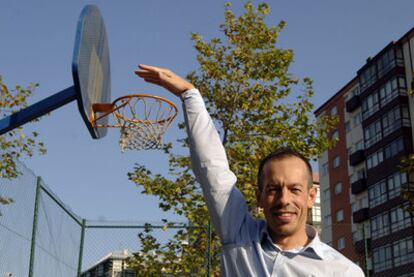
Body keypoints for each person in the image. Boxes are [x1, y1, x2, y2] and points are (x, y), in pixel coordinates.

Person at [135, 64, 365, 276]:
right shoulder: (239, 235)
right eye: (274, 189)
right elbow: (212, 171)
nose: (284, 199)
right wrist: (190, 95)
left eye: (295, 189)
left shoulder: (343, 272)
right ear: (260, 196)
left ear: (311, 196)